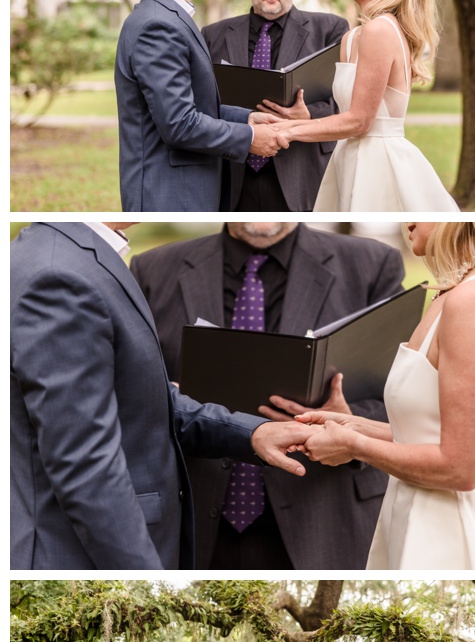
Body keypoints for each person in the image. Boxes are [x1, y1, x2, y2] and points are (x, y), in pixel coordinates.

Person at [11, 222, 310, 569]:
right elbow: (83, 462)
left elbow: (138, 394)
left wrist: (253, 433)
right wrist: (148, 584)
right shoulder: (60, 276)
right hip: (76, 555)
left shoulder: (66, 254)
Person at [130, 222, 406, 567]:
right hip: (193, 518)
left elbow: (406, 398)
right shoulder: (152, 269)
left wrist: (353, 420)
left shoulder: (371, 264)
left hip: (322, 519)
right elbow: (130, 391)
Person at [284, 222, 475, 569]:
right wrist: (354, 426)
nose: (406, 221)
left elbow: (461, 468)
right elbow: (432, 433)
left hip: (449, 532)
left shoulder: (472, 300)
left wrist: (354, 447)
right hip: (423, 514)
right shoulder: (464, 290)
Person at [258, 0, 458, 211]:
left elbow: (360, 121)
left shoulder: (381, 30)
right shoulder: (352, 38)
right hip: (346, 155)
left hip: (377, 161)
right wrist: (303, 118)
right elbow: (347, 113)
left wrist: (287, 130)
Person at [114, 0, 288, 211]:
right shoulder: (157, 25)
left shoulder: (168, 18)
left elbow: (192, 104)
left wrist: (245, 118)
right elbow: (179, 124)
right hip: (171, 195)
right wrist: (249, 138)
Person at [201, 0, 348, 211]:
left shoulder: (330, 30)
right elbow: (202, 103)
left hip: (301, 171)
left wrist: (309, 115)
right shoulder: (213, 35)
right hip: (233, 174)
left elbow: (347, 103)